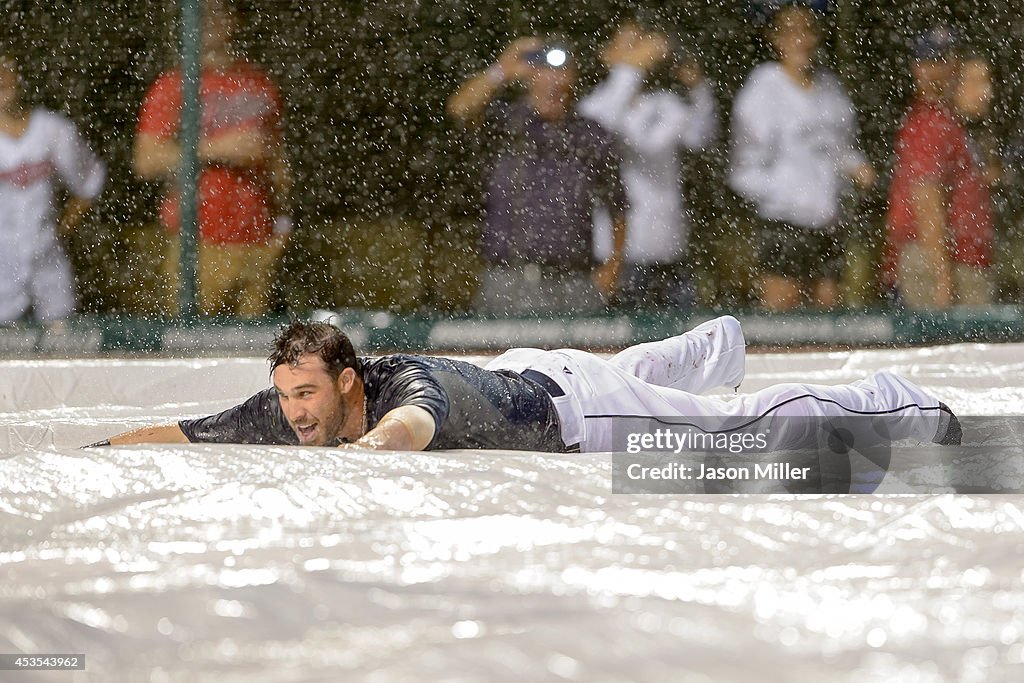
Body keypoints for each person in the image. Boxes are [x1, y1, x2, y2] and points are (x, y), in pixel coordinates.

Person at [94, 317, 959, 455]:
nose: (294, 413)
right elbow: (187, 430)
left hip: (569, 406)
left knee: (728, 428)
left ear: (348, 381)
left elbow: (407, 430)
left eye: (307, 397)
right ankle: (714, 342)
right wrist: (100, 449)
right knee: (646, 372)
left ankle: (890, 397)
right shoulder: (296, 402)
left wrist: (358, 455)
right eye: (286, 398)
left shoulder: (412, 387)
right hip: (523, 365)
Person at [447, 37, 628, 315]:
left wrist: (613, 266)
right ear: (531, 78)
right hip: (508, 279)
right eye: (546, 72)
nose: (554, 81)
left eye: (562, 72)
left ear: (573, 79)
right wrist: (501, 71)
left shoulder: (590, 135)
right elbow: (459, 109)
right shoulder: (504, 124)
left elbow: (618, 206)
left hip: (574, 281)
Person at [134, 0, 291, 318]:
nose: (210, 21)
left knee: (254, 352)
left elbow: (278, 159)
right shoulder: (173, 85)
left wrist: (285, 223)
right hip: (200, 241)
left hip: (258, 240)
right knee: (194, 346)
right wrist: (219, 148)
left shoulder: (260, 84)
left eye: (219, 12)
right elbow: (146, 160)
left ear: (236, 19)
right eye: (202, 13)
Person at [728, 2, 875, 311]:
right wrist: (793, 194)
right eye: (790, 31)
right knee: (783, 312)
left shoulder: (830, 88)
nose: (800, 39)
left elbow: (840, 149)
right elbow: (743, 171)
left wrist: (856, 167)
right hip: (785, 224)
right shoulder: (762, 91)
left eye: (807, 29)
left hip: (828, 222)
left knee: (828, 308)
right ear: (774, 37)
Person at [578, 22, 718, 309]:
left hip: (668, 248)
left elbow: (701, 136)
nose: (641, 53)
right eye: (630, 46)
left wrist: (698, 88)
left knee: (680, 346)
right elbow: (604, 129)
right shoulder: (594, 106)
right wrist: (632, 68)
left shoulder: (664, 102)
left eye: (641, 45)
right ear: (607, 55)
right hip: (619, 255)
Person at [884, 27, 993, 310]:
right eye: (975, 81)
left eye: (950, 62)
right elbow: (926, 199)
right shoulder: (931, 123)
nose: (986, 92)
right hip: (942, 266)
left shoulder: (948, 123)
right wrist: (942, 276)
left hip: (957, 262)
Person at [0, 55, 105, 324]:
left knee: (61, 348)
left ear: (20, 76)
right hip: (3, 268)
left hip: (48, 265)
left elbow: (90, 183)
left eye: (6, 71)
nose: (2, 79)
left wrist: (62, 230)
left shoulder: (53, 130)